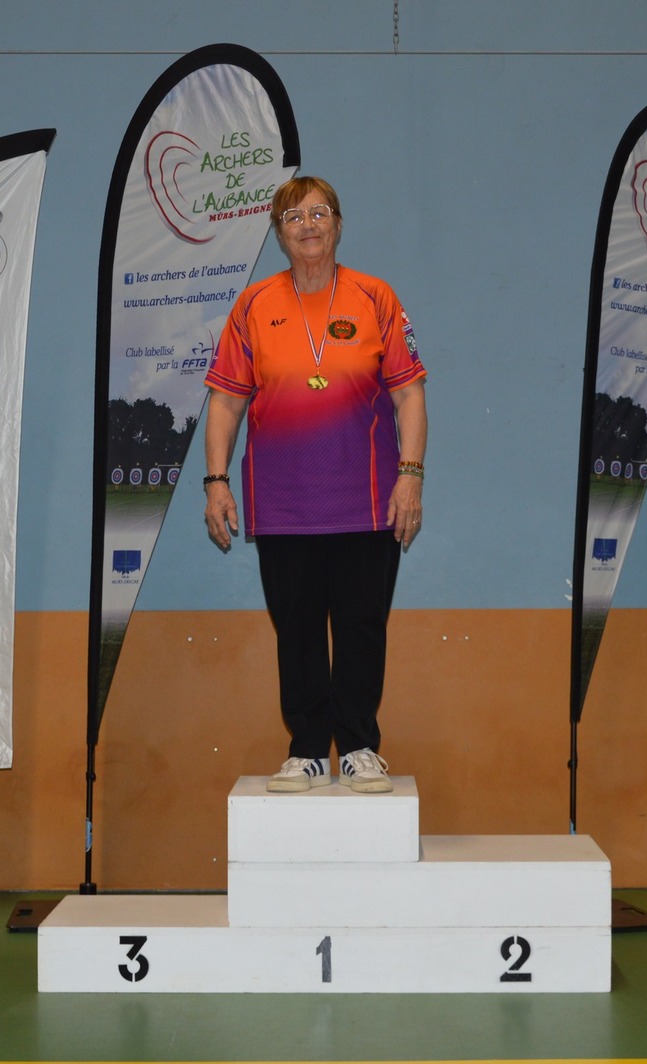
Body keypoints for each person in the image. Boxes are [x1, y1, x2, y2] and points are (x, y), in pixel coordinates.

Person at [203, 176, 428, 795]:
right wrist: (216, 481)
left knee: (362, 626)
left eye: (319, 212)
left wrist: (410, 477)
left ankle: (357, 746)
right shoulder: (253, 305)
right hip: (282, 503)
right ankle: (305, 750)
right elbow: (225, 402)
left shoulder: (375, 297)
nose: (307, 224)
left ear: (338, 223)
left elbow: (410, 396)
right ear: (279, 232)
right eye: (293, 216)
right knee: (297, 629)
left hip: (368, 500)